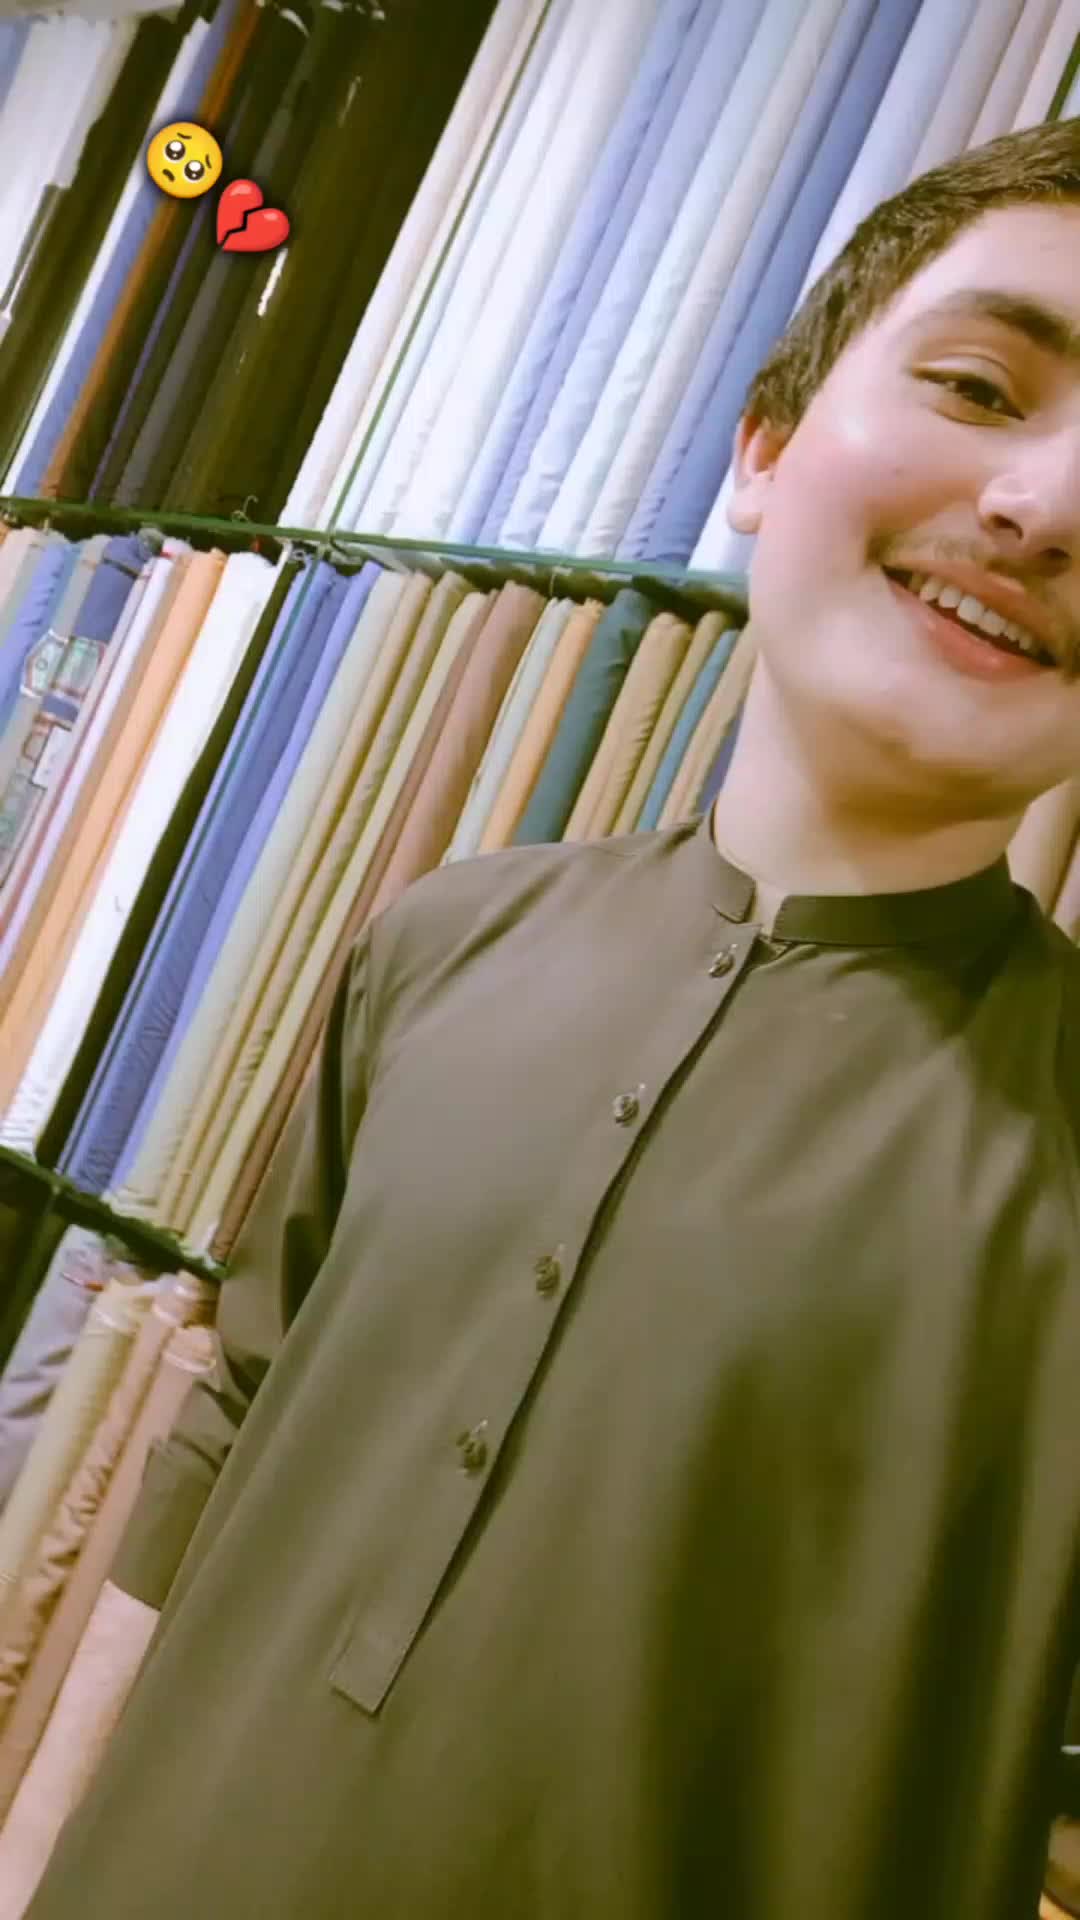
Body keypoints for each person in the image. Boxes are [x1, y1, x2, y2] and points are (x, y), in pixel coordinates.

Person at [18, 117, 1080, 1920]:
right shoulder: (444, 941)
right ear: (763, 449)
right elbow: (229, 1431)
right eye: (981, 389)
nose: (1043, 510)